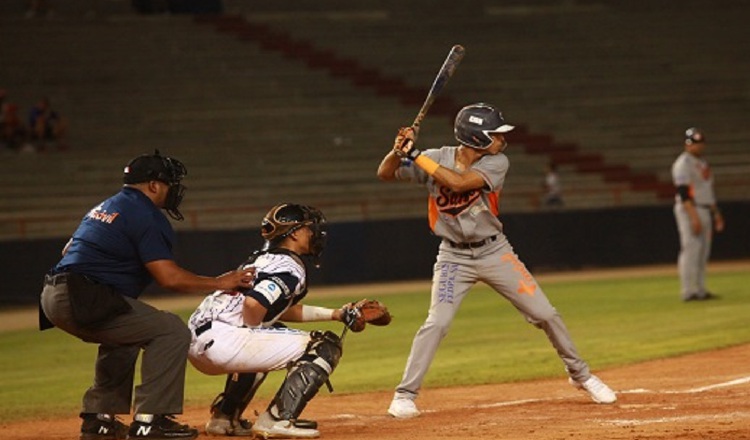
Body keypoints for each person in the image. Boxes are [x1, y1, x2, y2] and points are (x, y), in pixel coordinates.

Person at [377, 103, 617, 419]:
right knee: (437, 323)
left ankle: (581, 375)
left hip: (494, 251)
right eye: (496, 135)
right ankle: (405, 395)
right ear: (476, 138)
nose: (503, 140)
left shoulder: (497, 162)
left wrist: (416, 154)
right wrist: (398, 151)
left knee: (546, 313)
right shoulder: (436, 157)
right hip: (453, 256)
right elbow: (385, 172)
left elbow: (459, 183)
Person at [39, 150, 256, 440]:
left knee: (127, 333)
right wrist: (220, 281)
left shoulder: (106, 206)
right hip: (82, 293)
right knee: (171, 330)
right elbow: (168, 278)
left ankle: (99, 421)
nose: (174, 190)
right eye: (170, 183)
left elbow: (69, 250)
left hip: (54, 292)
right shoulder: (145, 214)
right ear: (154, 185)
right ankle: (150, 421)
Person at [188, 203, 363, 439]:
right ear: (294, 233)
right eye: (310, 228)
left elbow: (273, 309)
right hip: (224, 342)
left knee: (270, 330)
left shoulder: (260, 259)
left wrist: (335, 314)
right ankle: (277, 419)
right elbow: (254, 305)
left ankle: (224, 417)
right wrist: (253, 329)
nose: (315, 233)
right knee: (324, 346)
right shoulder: (289, 267)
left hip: (197, 341)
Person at [671, 127, 725, 302]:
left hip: (704, 208)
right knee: (690, 249)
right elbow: (683, 192)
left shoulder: (702, 163)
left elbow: (707, 191)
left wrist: (716, 213)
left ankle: (700, 289)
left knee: (703, 251)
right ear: (686, 145)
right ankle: (687, 291)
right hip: (690, 209)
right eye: (693, 142)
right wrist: (693, 217)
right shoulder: (683, 164)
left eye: (699, 142)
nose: (697, 146)